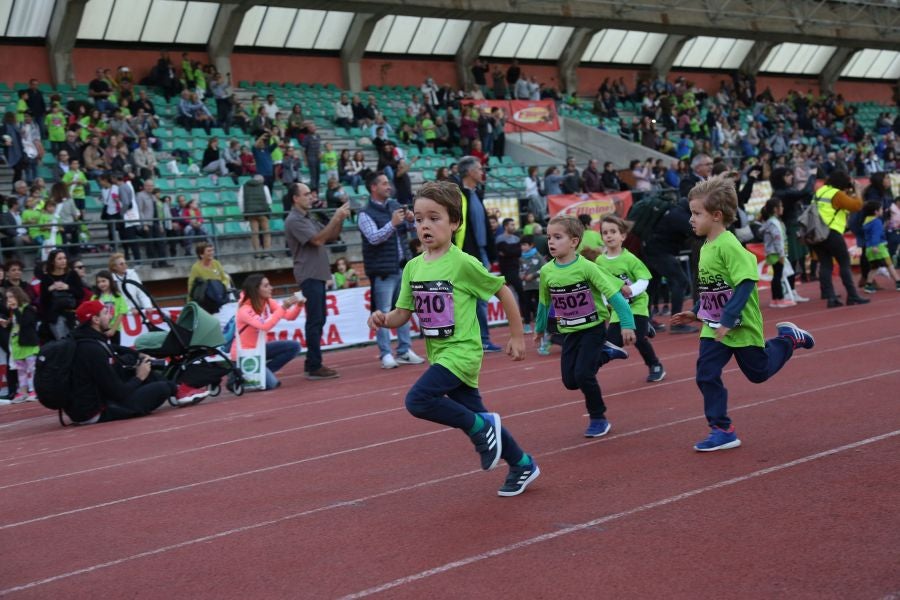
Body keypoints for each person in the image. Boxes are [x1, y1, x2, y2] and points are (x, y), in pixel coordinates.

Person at [367, 180, 539, 497]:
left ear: (454, 222)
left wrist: (517, 335)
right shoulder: (413, 268)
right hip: (440, 353)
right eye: (419, 219)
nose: (425, 226)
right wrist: (383, 319)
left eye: (435, 218)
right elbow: (402, 314)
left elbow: (502, 289)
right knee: (477, 412)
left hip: (461, 352)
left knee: (418, 401)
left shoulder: (462, 262)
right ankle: (522, 463)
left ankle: (480, 429)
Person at [670, 174, 815, 452]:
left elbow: (746, 282)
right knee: (706, 374)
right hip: (713, 327)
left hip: (739, 325)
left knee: (758, 373)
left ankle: (788, 339)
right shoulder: (706, 245)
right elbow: (713, 289)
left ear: (716, 215)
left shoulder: (728, 244)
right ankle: (722, 429)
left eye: (696, 214)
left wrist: (727, 318)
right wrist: (696, 311)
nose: (691, 219)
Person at [533, 214, 635, 438]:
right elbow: (544, 302)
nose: (550, 242)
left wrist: (627, 324)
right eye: (549, 237)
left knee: (583, 374)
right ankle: (607, 353)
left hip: (593, 328)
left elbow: (615, 296)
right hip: (570, 332)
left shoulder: (587, 267)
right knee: (570, 381)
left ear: (574, 241)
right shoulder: (547, 271)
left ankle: (598, 418)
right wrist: (539, 328)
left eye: (557, 237)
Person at [63, 301, 206, 425]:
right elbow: (120, 393)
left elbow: (116, 348)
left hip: (83, 407)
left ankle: (178, 389)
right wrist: (140, 377)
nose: (110, 316)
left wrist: (138, 355)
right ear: (95, 319)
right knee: (162, 388)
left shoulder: (82, 340)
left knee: (132, 362)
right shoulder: (93, 350)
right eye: (106, 313)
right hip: (96, 412)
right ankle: (174, 388)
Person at [358, 172, 425, 369]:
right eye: (384, 183)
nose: (389, 186)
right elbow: (373, 237)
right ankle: (386, 353)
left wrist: (413, 220)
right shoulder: (365, 213)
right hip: (383, 271)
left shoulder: (396, 206)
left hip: (403, 266)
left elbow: (414, 231)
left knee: (403, 310)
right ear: (373, 187)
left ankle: (404, 350)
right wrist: (392, 224)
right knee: (383, 313)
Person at [284, 182, 351, 380]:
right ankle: (314, 365)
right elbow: (318, 240)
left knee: (319, 319)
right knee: (315, 320)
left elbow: (332, 235)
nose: (310, 197)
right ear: (295, 198)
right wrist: (335, 217)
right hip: (309, 274)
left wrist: (339, 220)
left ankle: (313, 363)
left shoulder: (307, 217)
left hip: (317, 274)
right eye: (306, 194)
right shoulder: (294, 220)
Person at [597, 215, 665, 383]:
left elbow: (643, 280)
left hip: (637, 305)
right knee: (613, 343)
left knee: (636, 337)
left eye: (613, 232)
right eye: (605, 233)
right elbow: (600, 285)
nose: (609, 235)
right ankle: (644, 326)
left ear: (623, 236)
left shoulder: (630, 259)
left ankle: (655, 365)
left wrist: (630, 292)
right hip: (617, 309)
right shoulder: (599, 261)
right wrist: (607, 302)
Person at [456, 156, 501, 352]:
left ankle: (480, 338)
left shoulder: (475, 193)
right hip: (469, 254)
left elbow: (483, 227)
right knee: (476, 299)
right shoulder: (458, 195)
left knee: (479, 299)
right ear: (468, 172)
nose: (482, 171)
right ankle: (480, 338)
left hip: (481, 253)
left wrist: (491, 254)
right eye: (479, 168)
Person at [810, 171, 869, 308]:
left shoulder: (820, 191)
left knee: (825, 265)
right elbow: (857, 206)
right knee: (844, 263)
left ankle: (830, 297)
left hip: (817, 233)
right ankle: (852, 295)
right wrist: (858, 190)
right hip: (832, 233)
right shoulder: (836, 194)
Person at [233, 274, 303, 390]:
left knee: (294, 346)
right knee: (271, 385)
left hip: (260, 349)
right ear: (256, 289)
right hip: (244, 354)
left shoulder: (267, 301)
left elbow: (290, 316)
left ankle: (261, 371)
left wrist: (299, 305)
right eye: (266, 286)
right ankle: (240, 374)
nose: (271, 288)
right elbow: (264, 326)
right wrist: (284, 307)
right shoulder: (244, 309)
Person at [1, 286, 40, 402]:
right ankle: (23, 391)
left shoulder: (28, 308)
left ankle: (34, 390)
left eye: (12, 297)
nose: (10, 300)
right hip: (17, 344)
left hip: (28, 344)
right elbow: (15, 326)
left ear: (18, 296)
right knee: (21, 370)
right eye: (8, 298)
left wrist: (16, 309)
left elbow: (24, 323)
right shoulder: (14, 311)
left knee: (31, 369)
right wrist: (6, 323)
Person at [39, 249, 84, 341]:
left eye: (64, 258)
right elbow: (43, 301)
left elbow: (80, 294)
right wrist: (50, 289)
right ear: (52, 261)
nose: (63, 261)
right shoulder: (46, 277)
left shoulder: (72, 274)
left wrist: (67, 287)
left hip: (72, 313)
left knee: (77, 341)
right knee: (63, 342)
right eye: (59, 259)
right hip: (55, 316)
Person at [759, 198, 794, 308]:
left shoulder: (772, 222)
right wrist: (781, 254)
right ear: (775, 209)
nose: (783, 208)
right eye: (781, 206)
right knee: (777, 276)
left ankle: (776, 299)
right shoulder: (774, 223)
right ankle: (778, 299)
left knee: (777, 276)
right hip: (776, 253)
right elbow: (778, 239)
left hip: (774, 252)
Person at [861, 201, 900, 293]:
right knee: (890, 265)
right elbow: (876, 235)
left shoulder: (866, 222)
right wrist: (875, 245)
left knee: (874, 267)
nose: (882, 210)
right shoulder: (876, 222)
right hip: (879, 248)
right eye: (881, 209)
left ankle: (868, 285)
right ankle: (898, 282)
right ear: (876, 212)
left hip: (869, 248)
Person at [238, 174, 273, 259]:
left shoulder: (244, 187)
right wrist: (269, 209)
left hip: (251, 213)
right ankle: (266, 252)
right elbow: (269, 201)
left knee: (254, 233)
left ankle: (257, 253)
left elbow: (240, 200)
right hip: (263, 213)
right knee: (266, 232)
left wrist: (243, 212)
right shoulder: (264, 187)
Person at [91, 269, 129, 345]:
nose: (101, 284)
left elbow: (122, 313)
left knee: (116, 350)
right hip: (100, 329)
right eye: (98, 282)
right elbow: (93, 314)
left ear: (110, 281)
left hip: (115, 328)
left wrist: (113, 329)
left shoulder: (118, 296)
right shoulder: (95, 297)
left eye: (103, 281)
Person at [518, 235, 543, 335]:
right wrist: (521, 275)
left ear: (531, 245)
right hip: (526, 286)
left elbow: (544, 268)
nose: (522, 247)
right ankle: (527, 325)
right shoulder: (521, 257)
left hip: (536, 285)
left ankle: (540, 324)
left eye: (524, 245)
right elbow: (520, 269)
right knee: (526, 305)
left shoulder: (538, 256)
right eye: (521, 245)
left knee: (539, 304)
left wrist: (533, 275)